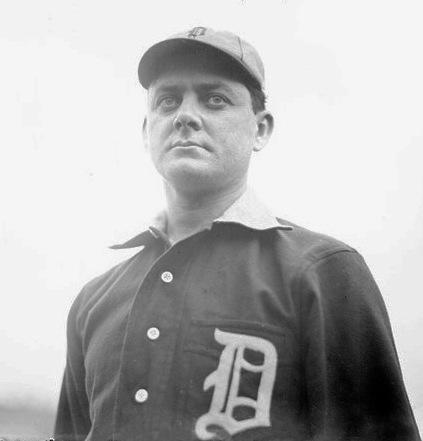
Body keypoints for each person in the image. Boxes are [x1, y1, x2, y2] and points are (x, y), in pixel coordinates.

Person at [54, 27, 421, 441]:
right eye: (167, 101)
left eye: (215, 99)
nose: (184, 116)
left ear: (260, 130)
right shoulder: (94, 301)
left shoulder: (322, 272)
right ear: (146, 130)